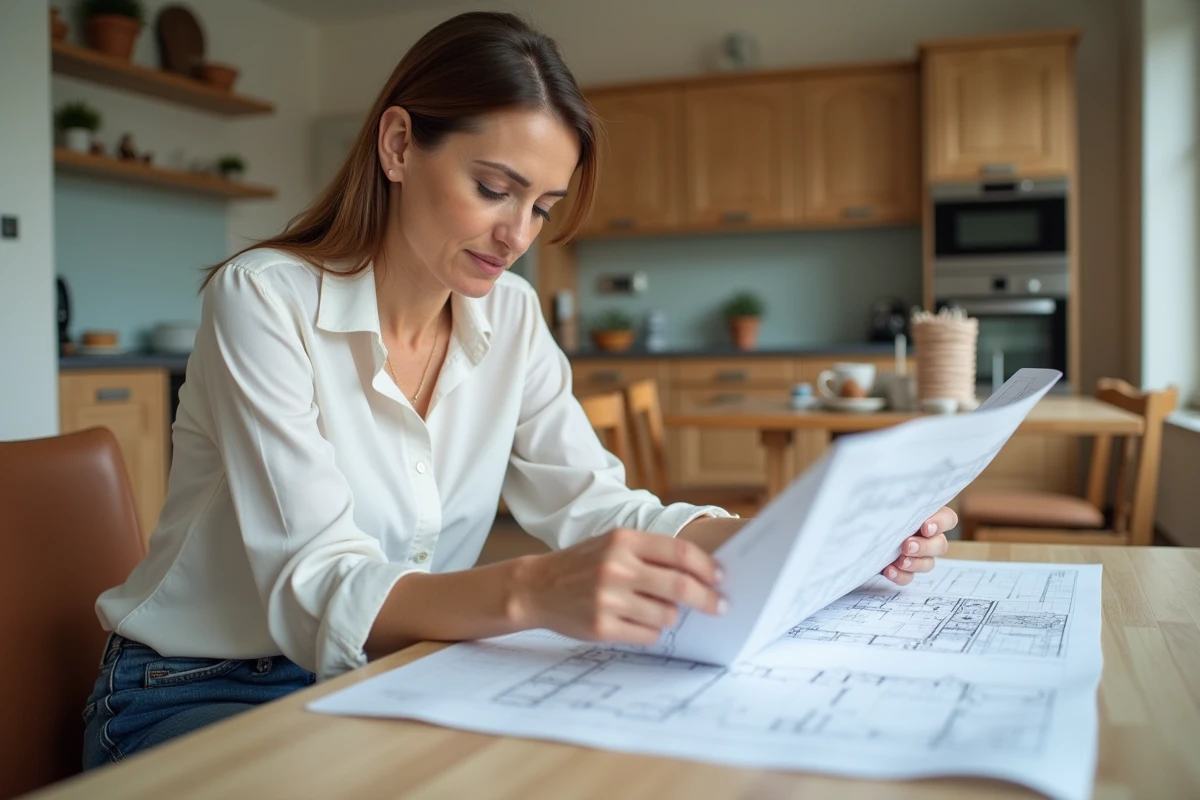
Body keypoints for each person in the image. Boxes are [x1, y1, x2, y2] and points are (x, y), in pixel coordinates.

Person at [82, 11, 954, 769]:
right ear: (396, 145)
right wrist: (532, 590)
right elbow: (316, 582)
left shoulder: (513, 318)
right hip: (199, 686)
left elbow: (597, 505)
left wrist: (812, 537)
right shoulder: (265, 299)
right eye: (493, 188)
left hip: (388, 671)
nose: (516, 235)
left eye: (540, 206)